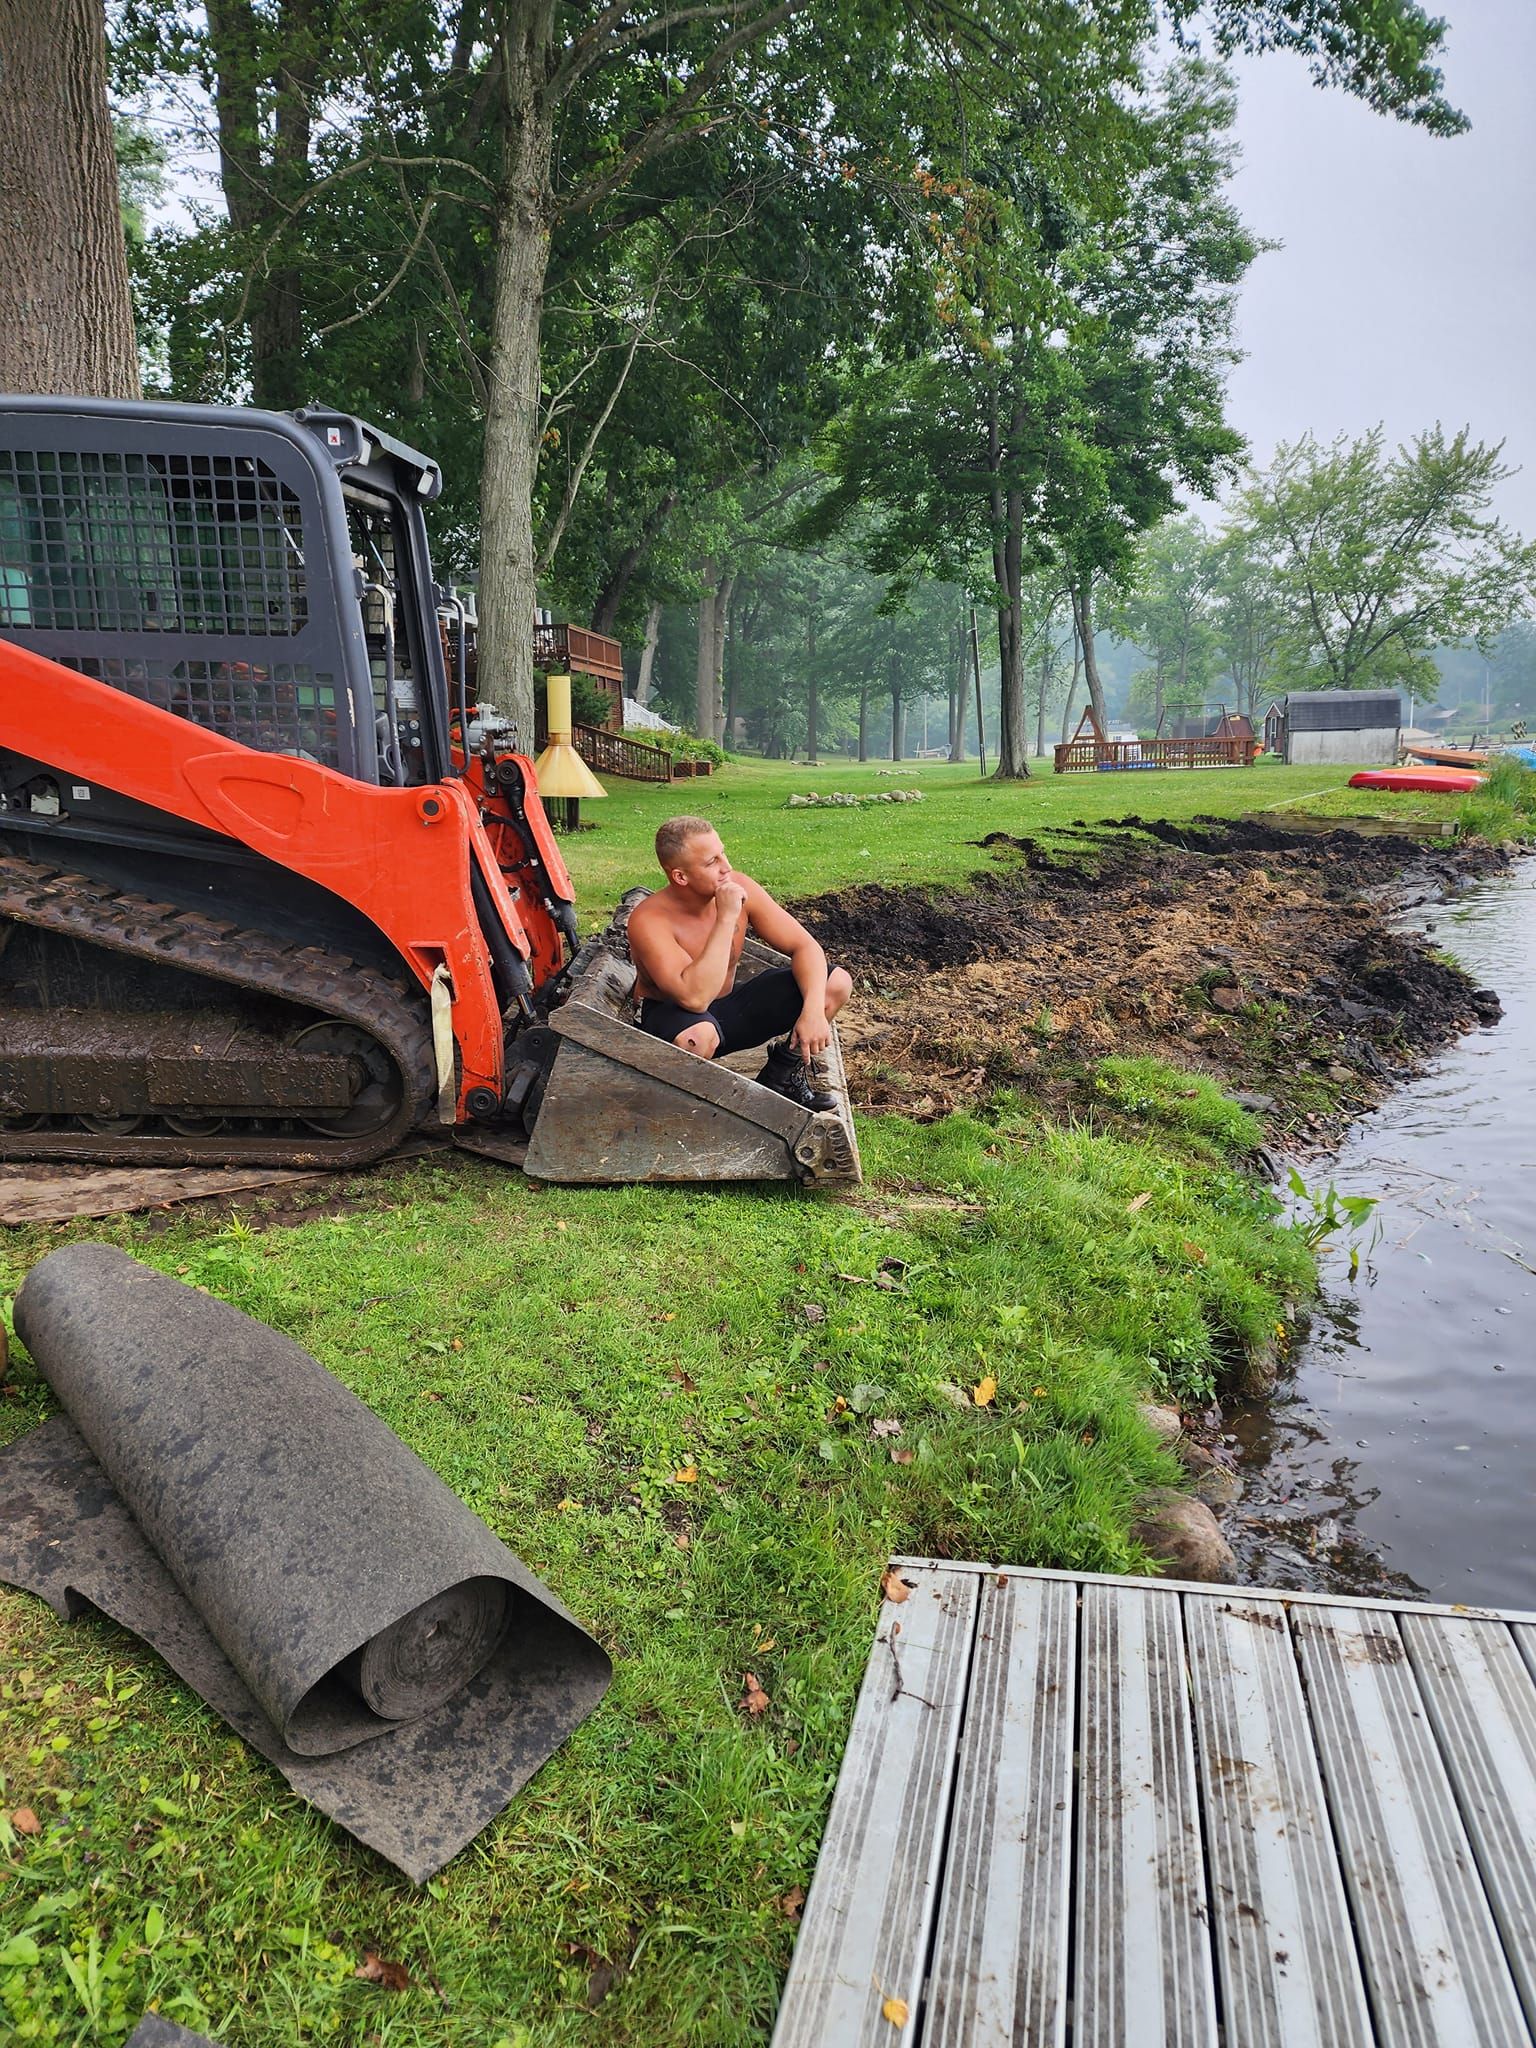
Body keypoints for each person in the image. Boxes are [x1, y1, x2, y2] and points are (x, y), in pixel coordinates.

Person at [627, 816, 852, 1112]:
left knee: (835, 983)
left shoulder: (740, 884)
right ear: (680, 877)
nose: (726, 867)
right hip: (675, 1020)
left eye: (723, 853)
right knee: (698, 1037)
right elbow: (694, 998)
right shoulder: (650, 920)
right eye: (711, 862)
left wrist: (812, 1011)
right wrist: (726, 917)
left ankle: (781, 1077)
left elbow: (805, 946)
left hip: (729, 1010)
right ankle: (682, 1111)